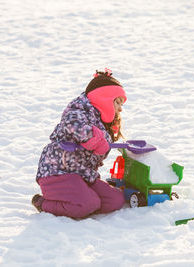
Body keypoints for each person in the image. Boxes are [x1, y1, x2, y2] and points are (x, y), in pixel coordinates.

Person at [31, 68, 126, 219]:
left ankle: (80, 202)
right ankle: (44, 204)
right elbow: (73, 124)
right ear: (105, 98)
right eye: (118, 102)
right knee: (88, 203)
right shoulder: (79, 110)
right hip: (57, 173)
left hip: (82, 174)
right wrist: (92, 137)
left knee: (115, 200)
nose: (120, 108)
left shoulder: (102, 121)